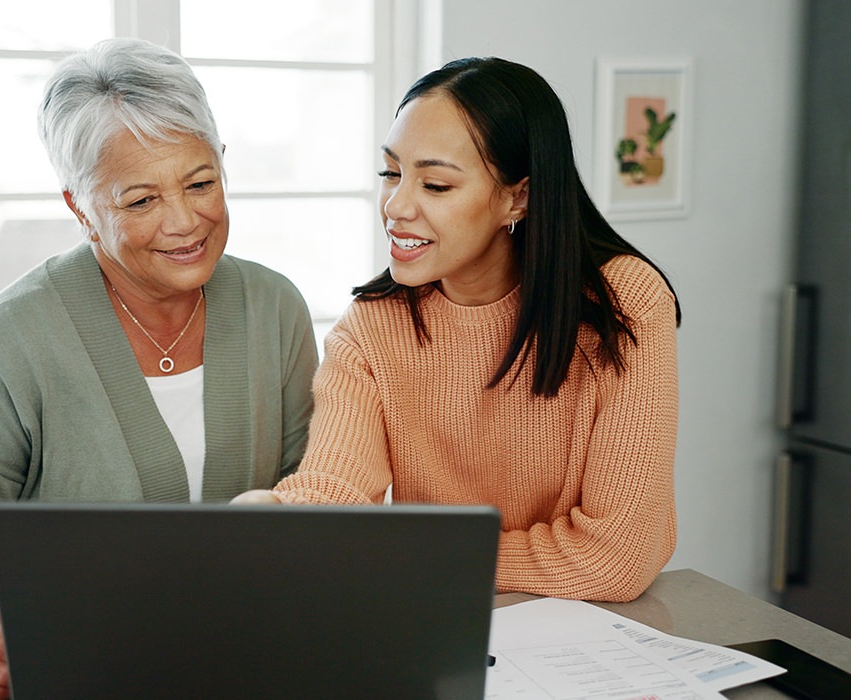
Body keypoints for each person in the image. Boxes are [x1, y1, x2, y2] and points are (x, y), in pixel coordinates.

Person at [0, 38, 318, 699]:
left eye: (201, 183)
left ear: (223, 164)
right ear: (79, 207)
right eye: (140, 201)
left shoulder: (275, 309)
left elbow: (315, 512)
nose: (184, 221)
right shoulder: (12, 339)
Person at [233, 56, 681, 603]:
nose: (396, 206)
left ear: (517, 197)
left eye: (436, 185)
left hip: (589, 633)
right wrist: (281, 514)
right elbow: (337, 490)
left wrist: (416, 552)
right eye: (391, 173)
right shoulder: (372, 327)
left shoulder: (623, 304)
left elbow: (618, 559)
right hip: (441, 611)